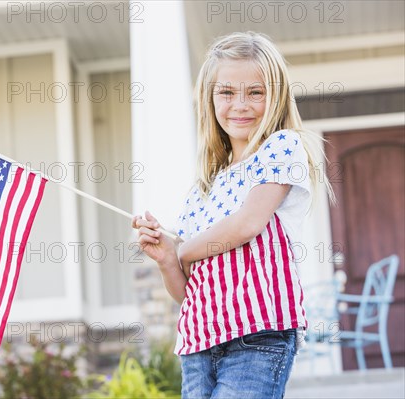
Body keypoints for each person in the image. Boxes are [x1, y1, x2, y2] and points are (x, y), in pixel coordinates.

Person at [132, 31, 334, 399]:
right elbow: (188, 293)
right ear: (210, 100)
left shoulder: (280, 148)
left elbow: (247, 224)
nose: (240, 104)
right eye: (226, 92)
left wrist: (182, 249)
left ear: (274, 96)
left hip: (257, 335)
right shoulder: (204, 189)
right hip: (198, 344)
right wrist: (166, 260)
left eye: (255, 92)